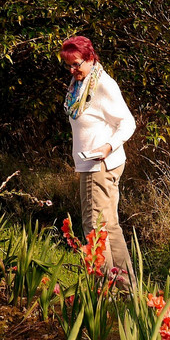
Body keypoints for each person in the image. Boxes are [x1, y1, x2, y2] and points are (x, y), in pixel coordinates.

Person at [59, 35, 136, 286]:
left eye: (77, 64)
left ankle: (104, 291)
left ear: (91, 58)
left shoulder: (103, 85)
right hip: (91, 164)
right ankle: (126, 290)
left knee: (94, 229)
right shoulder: (79, 84)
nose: (72, 70)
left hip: (99, 166)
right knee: (109, 227)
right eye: (68, 65)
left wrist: (107, 147)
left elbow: (127, 123)